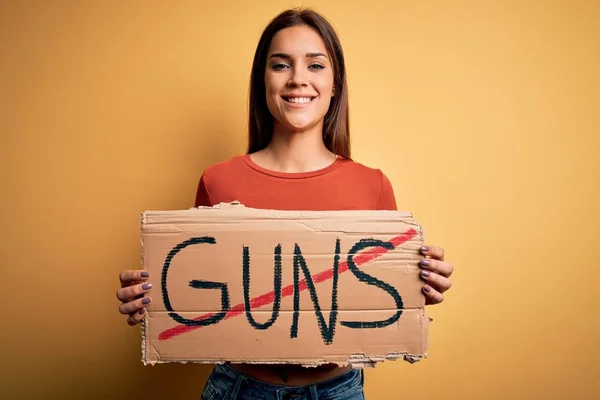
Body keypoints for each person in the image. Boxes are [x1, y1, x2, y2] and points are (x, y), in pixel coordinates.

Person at [116, 8, 454, 400]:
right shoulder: (217, 181)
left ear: (334, 84)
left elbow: (382, 302)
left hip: (335, 391)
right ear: (263, 81)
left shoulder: (372, 186)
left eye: (315, 65)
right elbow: (199, 295)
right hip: (238, 389)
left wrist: (420, 283)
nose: (298, 78)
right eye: (281, 65)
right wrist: (149, 296)